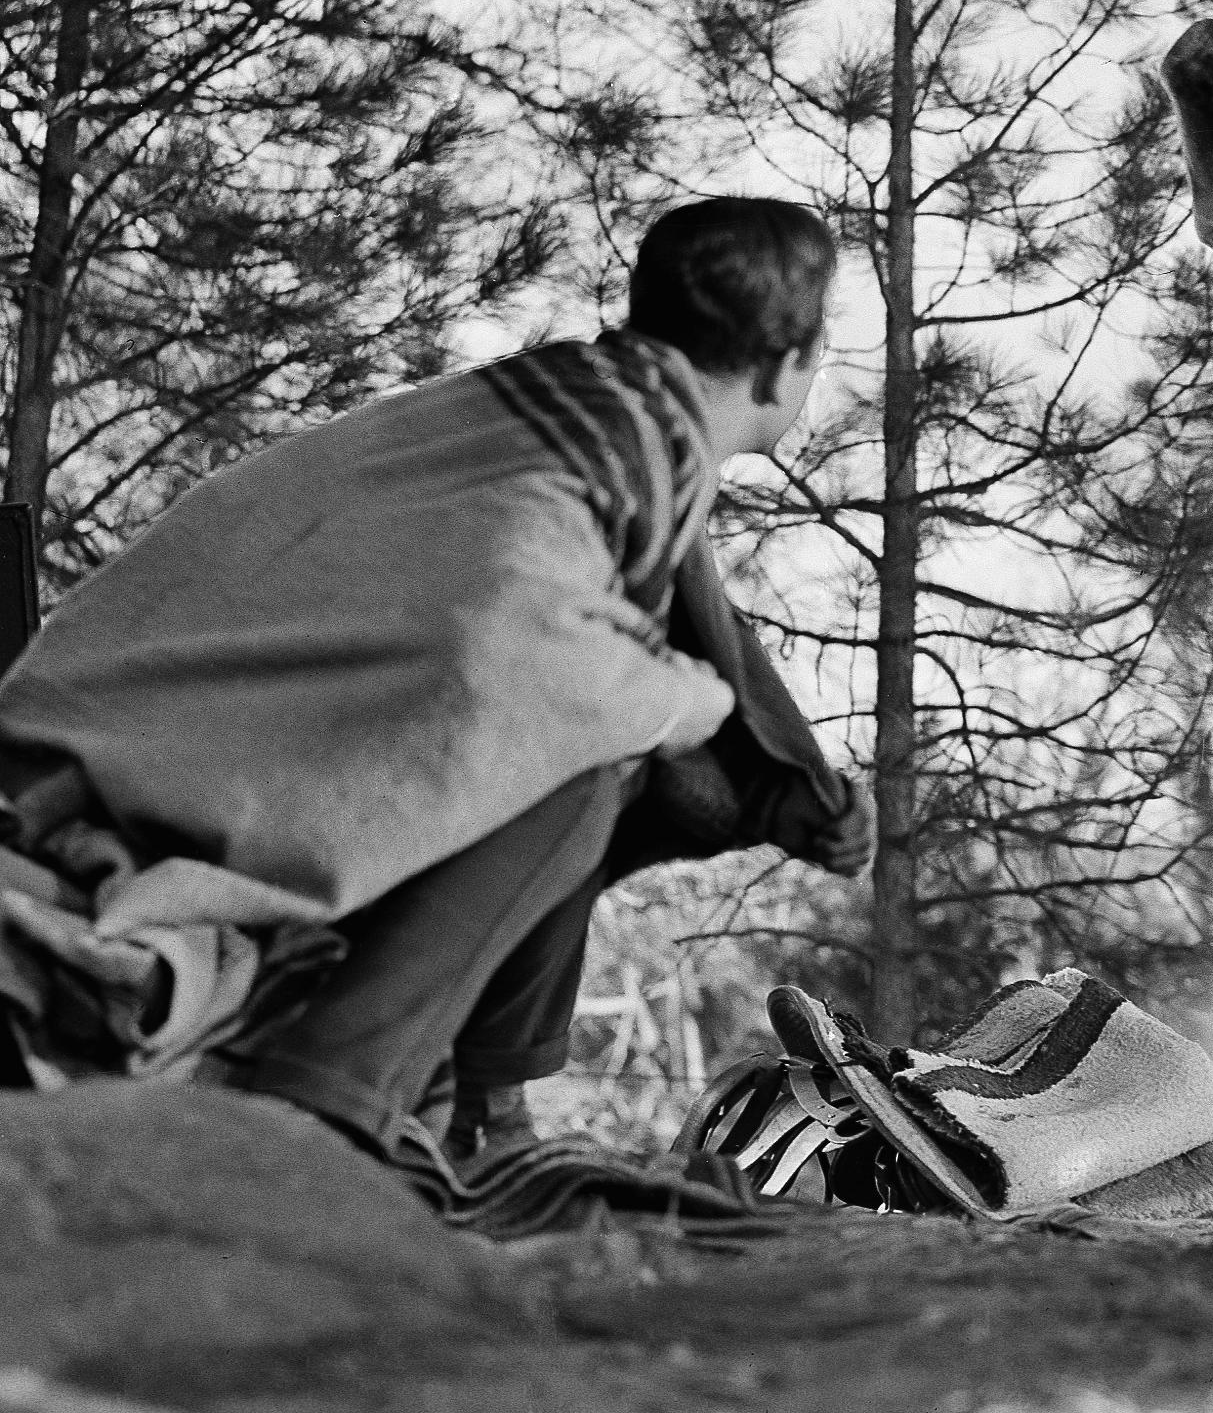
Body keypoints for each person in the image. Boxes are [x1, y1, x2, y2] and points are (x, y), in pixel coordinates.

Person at [0, 197, 872, 1167]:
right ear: (788, 362)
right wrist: (698, 706)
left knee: (606, 742)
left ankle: (475, 1102)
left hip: (76, 742)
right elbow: (525, 657)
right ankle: (323, 1110)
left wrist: (749, 747)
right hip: (110, 806)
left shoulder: (552, 418)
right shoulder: (595, 455)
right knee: (588, 760)